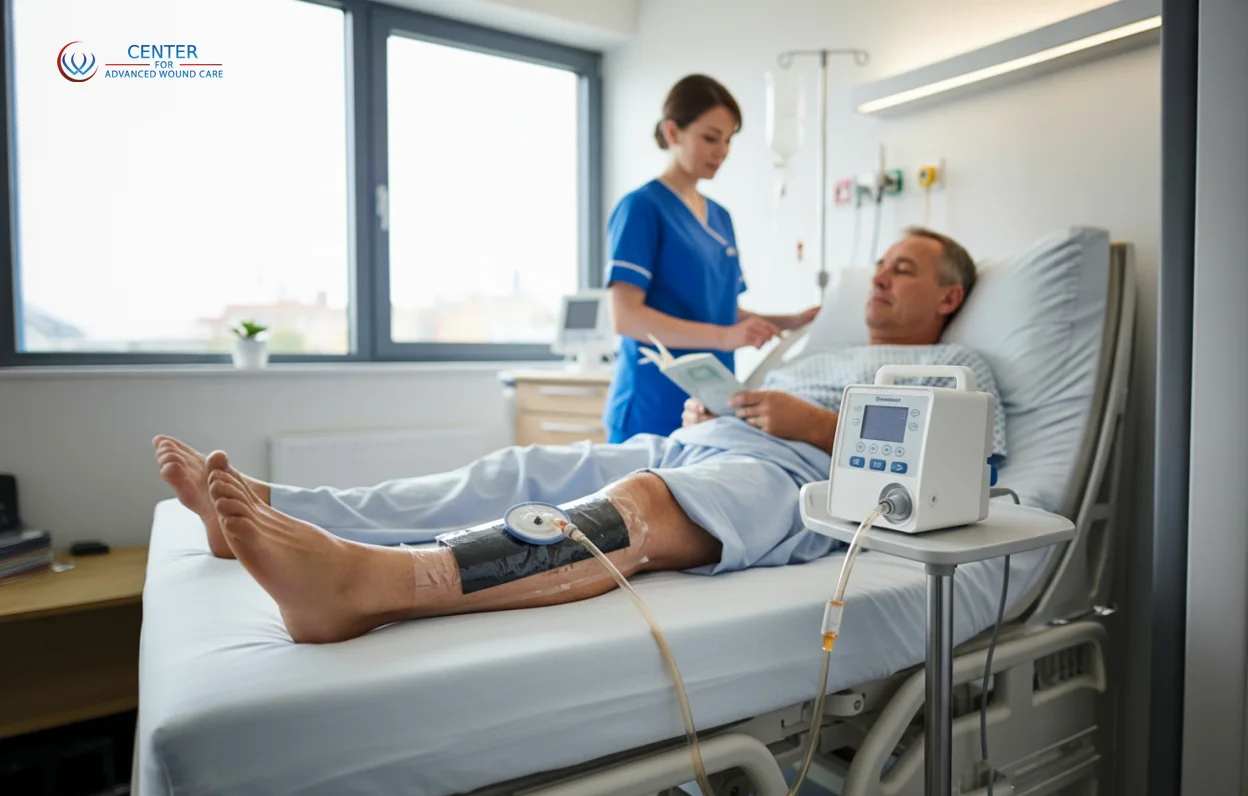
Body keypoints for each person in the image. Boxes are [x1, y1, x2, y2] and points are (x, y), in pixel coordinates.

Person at [153, 228, 1003, 645]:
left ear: (948, 298)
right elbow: (754, 403)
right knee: (520, 467)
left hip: (795, 483)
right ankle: (279, 506)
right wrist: (717, 409)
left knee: (628, 509)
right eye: (880, 265)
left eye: (905, 268)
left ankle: (372, 583)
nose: (881, 278)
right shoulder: (825, 348)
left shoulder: (960, 370)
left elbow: (948, 475)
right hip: (709, 444)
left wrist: (810, 424)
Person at [601, 74, 820, 443]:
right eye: (710, 137)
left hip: (708, 404)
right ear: (673, 132)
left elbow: (722, 310)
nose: (722, 151)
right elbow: (626, 317)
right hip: (651, 402)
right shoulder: (642, 208)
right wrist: (725, 337)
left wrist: (790, 320)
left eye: (729, 140)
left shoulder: (720, 217)